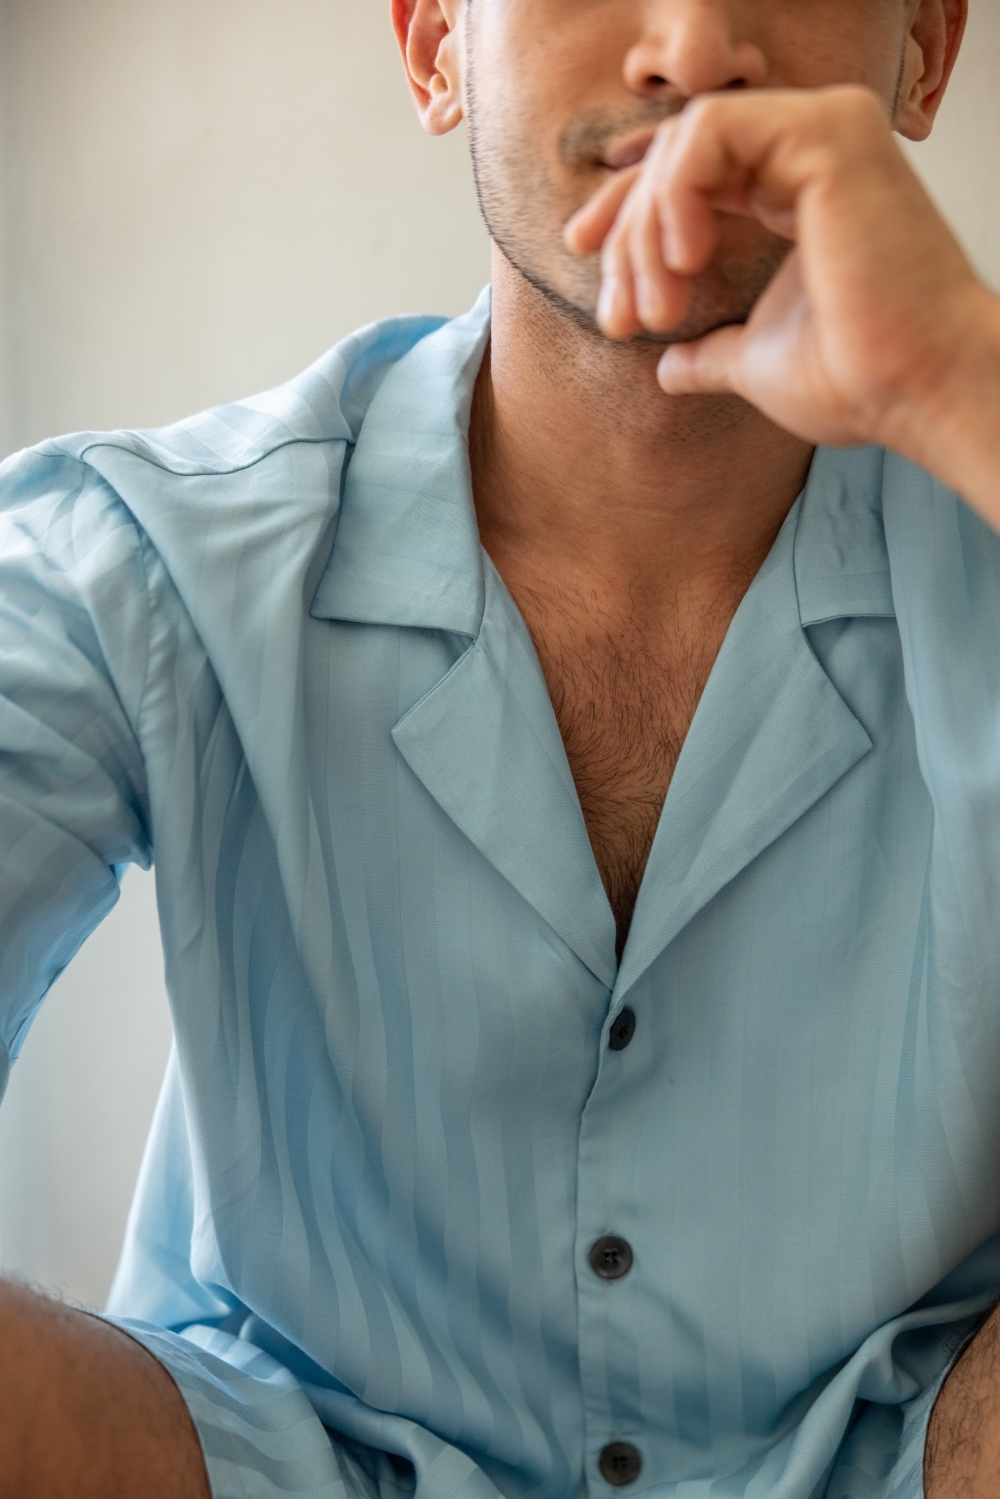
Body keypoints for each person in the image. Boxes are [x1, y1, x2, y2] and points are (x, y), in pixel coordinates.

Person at [1, 0, 999, 1494]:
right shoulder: (145, 563)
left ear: (925, 49)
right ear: (432, 45)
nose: (691, 44)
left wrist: (966, 380)